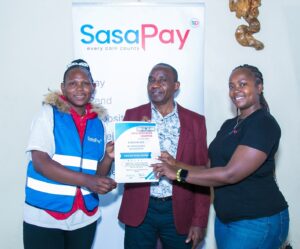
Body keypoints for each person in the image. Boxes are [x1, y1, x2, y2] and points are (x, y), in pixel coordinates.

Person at [153, 64, 289, 249]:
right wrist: (175, 163)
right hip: (226, 220)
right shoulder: (230, 124)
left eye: (242, 84)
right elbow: (208, 167)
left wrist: (178, 174)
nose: (236, 91)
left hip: (257, 221)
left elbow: (230, 174)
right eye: (231, 86)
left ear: (259, 87)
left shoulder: (263, 123)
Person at [23, 59, 117, 249]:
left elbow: (96, 174)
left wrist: (108, 157)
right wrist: (87, 181)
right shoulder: (48, 114)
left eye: (85, 83)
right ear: (63, 88)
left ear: (93, 87)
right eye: (73, 84)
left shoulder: (97, 124)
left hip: (84, 217)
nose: (79, 89)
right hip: (45, 214)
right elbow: (40, 162)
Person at [118, 63, 210, 249]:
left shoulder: (195, 122)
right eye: (151, 79)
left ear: (176, 86)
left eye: (162, 80)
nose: (155, 84)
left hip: (178, 210)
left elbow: (204, 175)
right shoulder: (133, 115)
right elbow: (125, 165)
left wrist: (199, 221)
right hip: (141, 209)